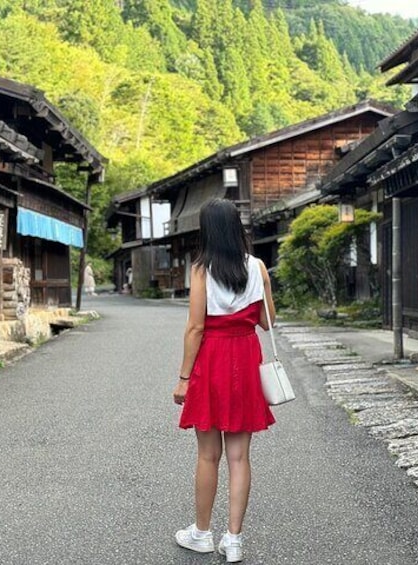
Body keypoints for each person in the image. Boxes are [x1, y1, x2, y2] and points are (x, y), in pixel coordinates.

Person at [172, 198, 276, 563]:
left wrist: (184, 378)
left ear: (207, 230)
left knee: (207, 454)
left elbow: (196, 327)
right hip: (245, 358)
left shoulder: (201, 269)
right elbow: (268, 322)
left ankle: (201, 533)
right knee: (239, 456)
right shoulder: (258, 267)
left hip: (212, 359)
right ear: (237, 228)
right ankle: (234, 540)